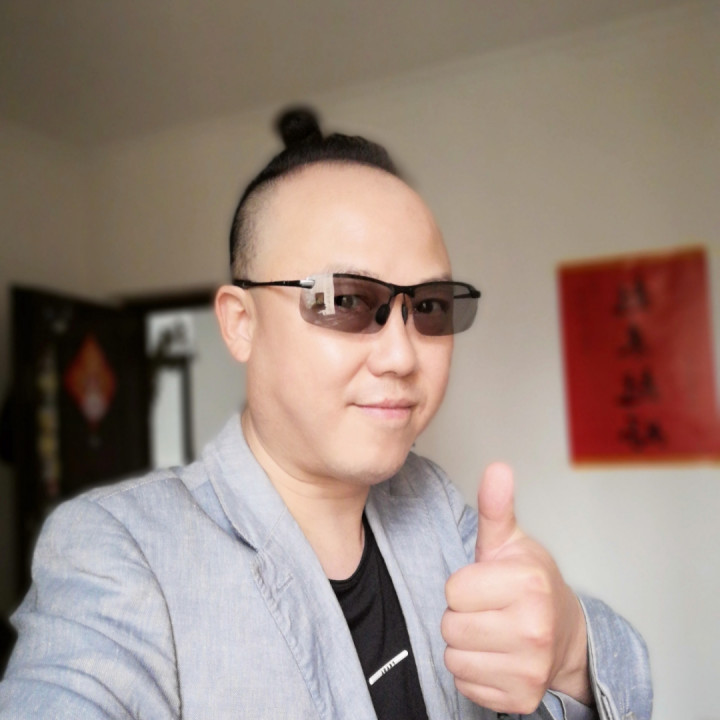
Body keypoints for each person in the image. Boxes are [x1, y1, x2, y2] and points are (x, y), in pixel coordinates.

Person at [0, 108, 652, 719]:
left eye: (428, 307)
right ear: (240, 323)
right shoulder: (121, 550)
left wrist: (570, 645)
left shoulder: (433, 506)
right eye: (344, 300)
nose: (401, 355)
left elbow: (619, 678)